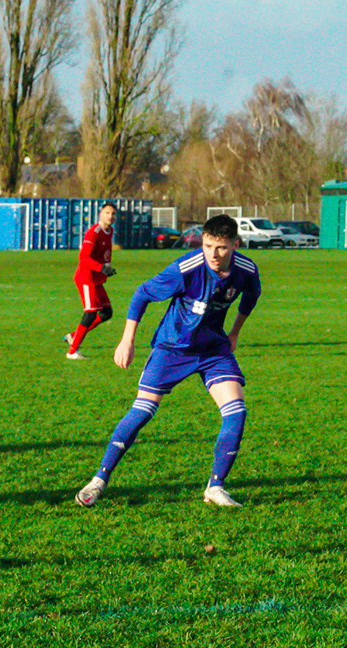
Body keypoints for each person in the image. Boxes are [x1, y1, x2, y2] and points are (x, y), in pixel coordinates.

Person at [74, 215, 262, 510]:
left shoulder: (246, 269)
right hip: (172, 347)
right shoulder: (186, 268)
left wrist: (234, 333)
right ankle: (98, 480)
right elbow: (142, 294)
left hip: (213, 349)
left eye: (222, 247)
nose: (213, 254)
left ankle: (215, 487)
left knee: (237, 412)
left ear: (235, 245)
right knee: (142, 412)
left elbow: (251, 297)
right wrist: (128, 340)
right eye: (208, 245)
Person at [64, 203, 118, 360]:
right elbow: (83, 258)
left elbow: (104, 254)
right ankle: (72, 351)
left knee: (107, 313)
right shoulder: (93, 233)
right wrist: (101, 267)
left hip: (97, 278)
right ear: (100, 214)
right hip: (86, 277)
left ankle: (74, 336)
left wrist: (106, 269)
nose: (110, 216)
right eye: (107, 213)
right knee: (90, 312)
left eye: (113, 213)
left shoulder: (110, 231)